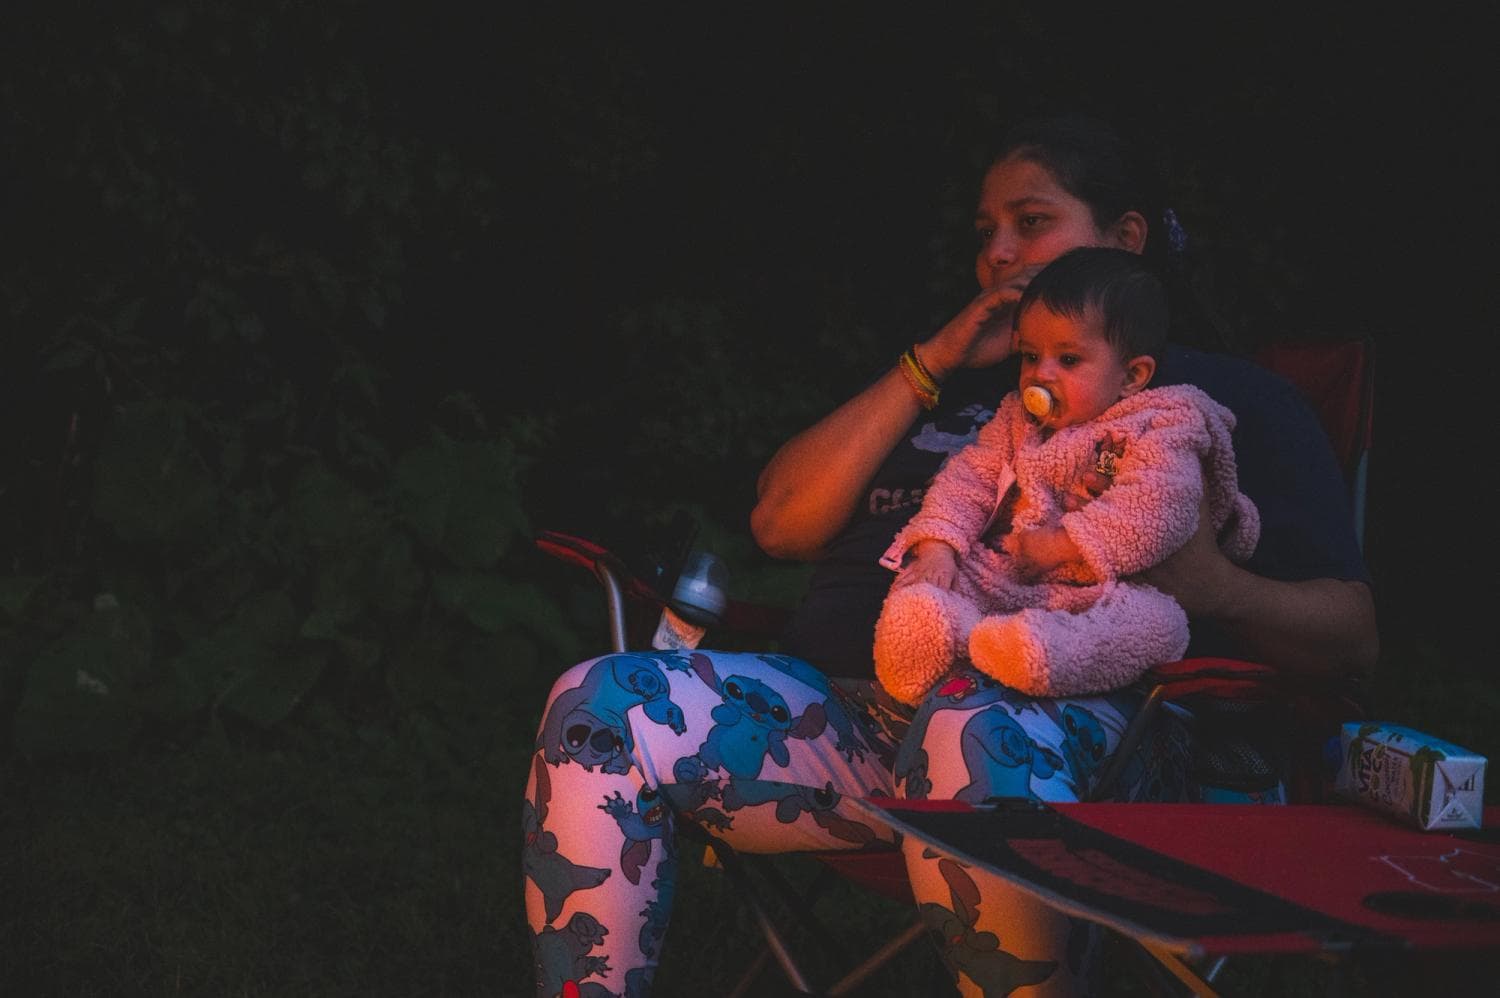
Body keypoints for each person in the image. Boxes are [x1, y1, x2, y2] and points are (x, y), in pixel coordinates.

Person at [524, 113, 1377, 998]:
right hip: (853, 720)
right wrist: (929, 364)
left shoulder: (1219, 399)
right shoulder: (950, 388)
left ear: (1127, 240)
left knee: (967, 726)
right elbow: (780, 522)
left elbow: (1354, 639)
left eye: (1031, 222)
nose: (998, 253)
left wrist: (1219, 588)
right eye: (985, 235)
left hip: (1089, 734)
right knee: (599, 705)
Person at [873, 246, 1260, 707]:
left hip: (1107, 589)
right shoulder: (1016, 422)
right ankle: (935, 639)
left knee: (1158, 624)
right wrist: (939, 546)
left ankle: (1040, 654)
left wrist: (1059, 544)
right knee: (935, 581)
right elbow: (967, 479)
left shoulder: (1162, 422)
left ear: (1132, 376)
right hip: (1010, 575)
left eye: (1069, 360)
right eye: (1031, 357)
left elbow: (1158, 508)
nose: (1042, 375)